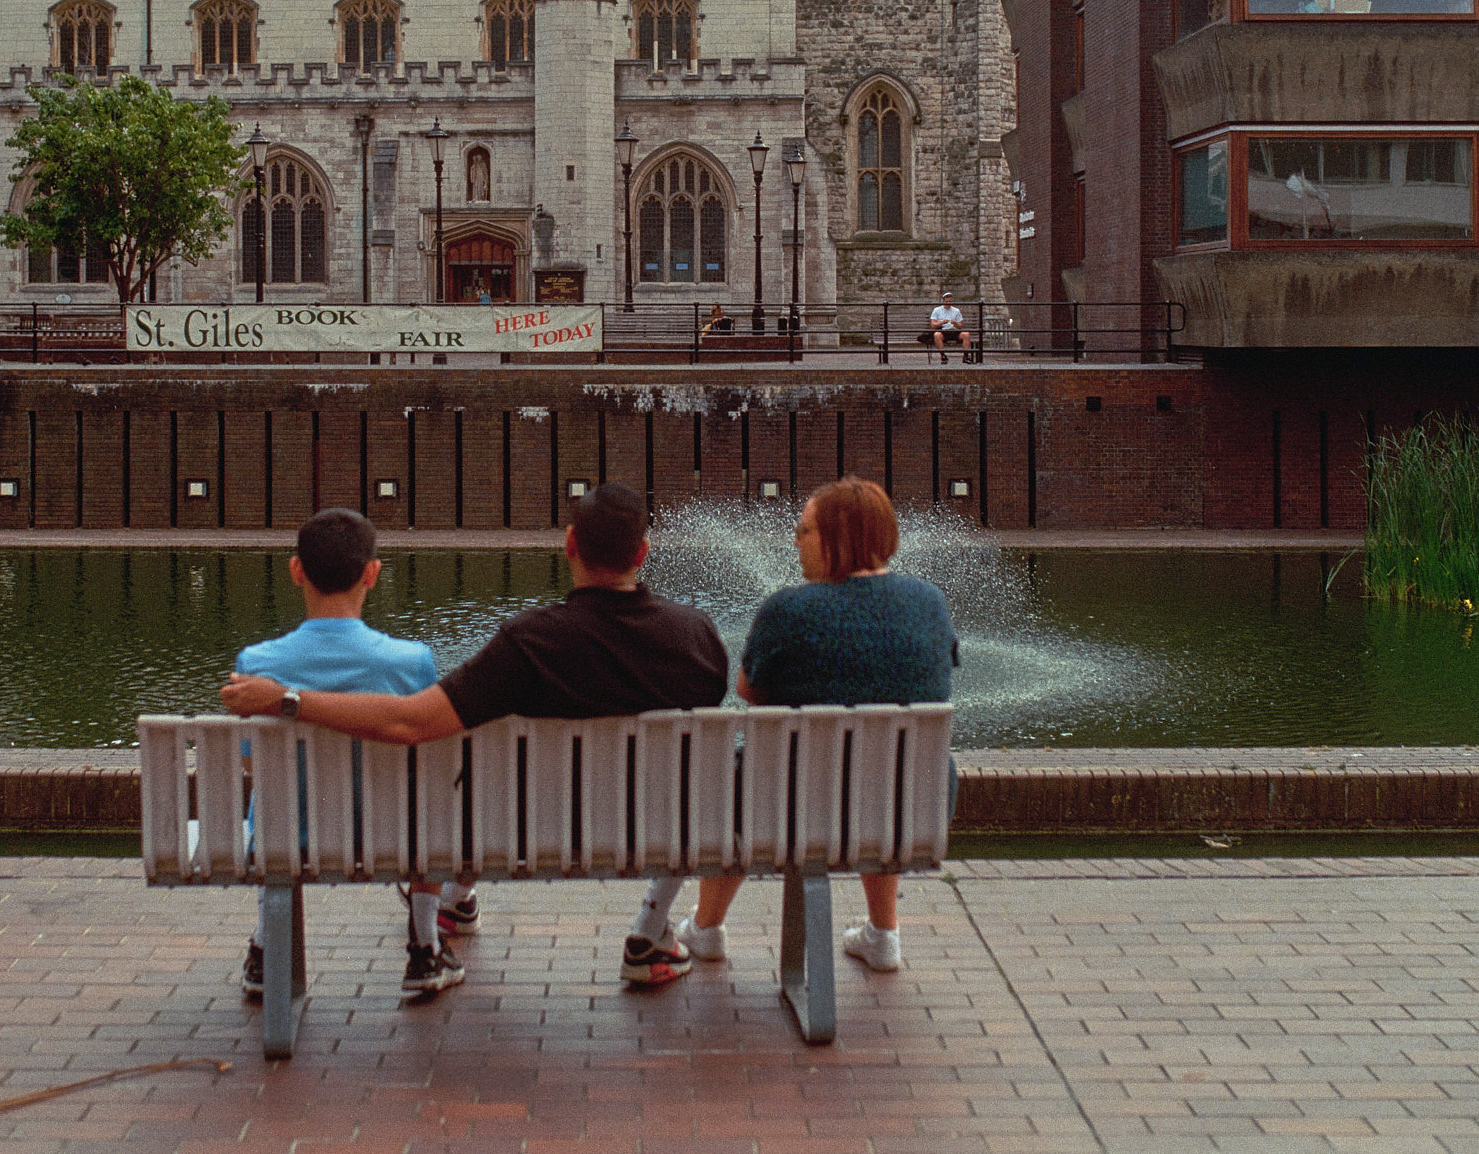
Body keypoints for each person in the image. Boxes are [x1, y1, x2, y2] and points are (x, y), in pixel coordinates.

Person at [222, 482, 729, 986]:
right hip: (663, 831)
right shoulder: (697, 638)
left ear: (570, 544)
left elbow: (411, 722)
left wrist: (289, 699)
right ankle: (649, 928)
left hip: (524, 835)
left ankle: (454, 901)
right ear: (641, 553)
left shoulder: (528, 644)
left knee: (458, 782)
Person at [675, 477, 955, 975]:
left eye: (804, 530)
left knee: (744, 772)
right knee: (882, 763)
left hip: (790, 813)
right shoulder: (930, 603)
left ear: (836, 538)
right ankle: (884, 934)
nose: (795, 540)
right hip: (910, 811)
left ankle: (707, 926)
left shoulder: (789, 609)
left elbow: (749, 690)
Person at [229, 508, 464, 998]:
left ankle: (267, 948)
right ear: (371, 574)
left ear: (296, 571)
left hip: (290, 839)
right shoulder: (411, 662)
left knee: (275, 803)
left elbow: (252, 765)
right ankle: (424, 946)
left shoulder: (257, 665)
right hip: (397, 839)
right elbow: (431, 756)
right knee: (433, 806)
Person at [923, 292, 971, 363]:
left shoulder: (956, 310)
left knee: (966, 334)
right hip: (943, 331)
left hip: (954, 331)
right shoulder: (937, 310)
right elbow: (933, 324)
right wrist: (941, 322)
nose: (948, 303)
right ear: (943, 301)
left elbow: (960, 326)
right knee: (937, 335)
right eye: (946, 302)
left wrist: (955, 323)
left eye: (950, 302)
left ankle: (966, 356)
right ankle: (943, 356)